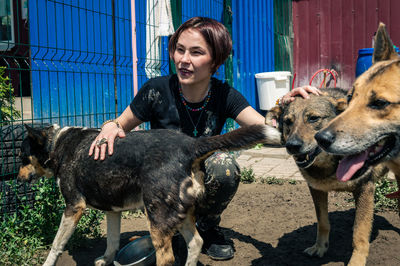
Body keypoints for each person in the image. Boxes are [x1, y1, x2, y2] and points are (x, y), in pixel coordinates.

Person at [89, 16, 319, 260]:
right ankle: (175, 229)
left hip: (199, 174)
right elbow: (119, 123)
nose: (184, 60)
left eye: (196, 52)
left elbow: (265, 128)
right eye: (179, 50)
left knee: (223, 166)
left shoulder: (224, 95)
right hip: (163, 178)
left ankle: (206, 228)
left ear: (215, 62)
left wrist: (286, 107)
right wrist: (110, 126)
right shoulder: (156, 90)